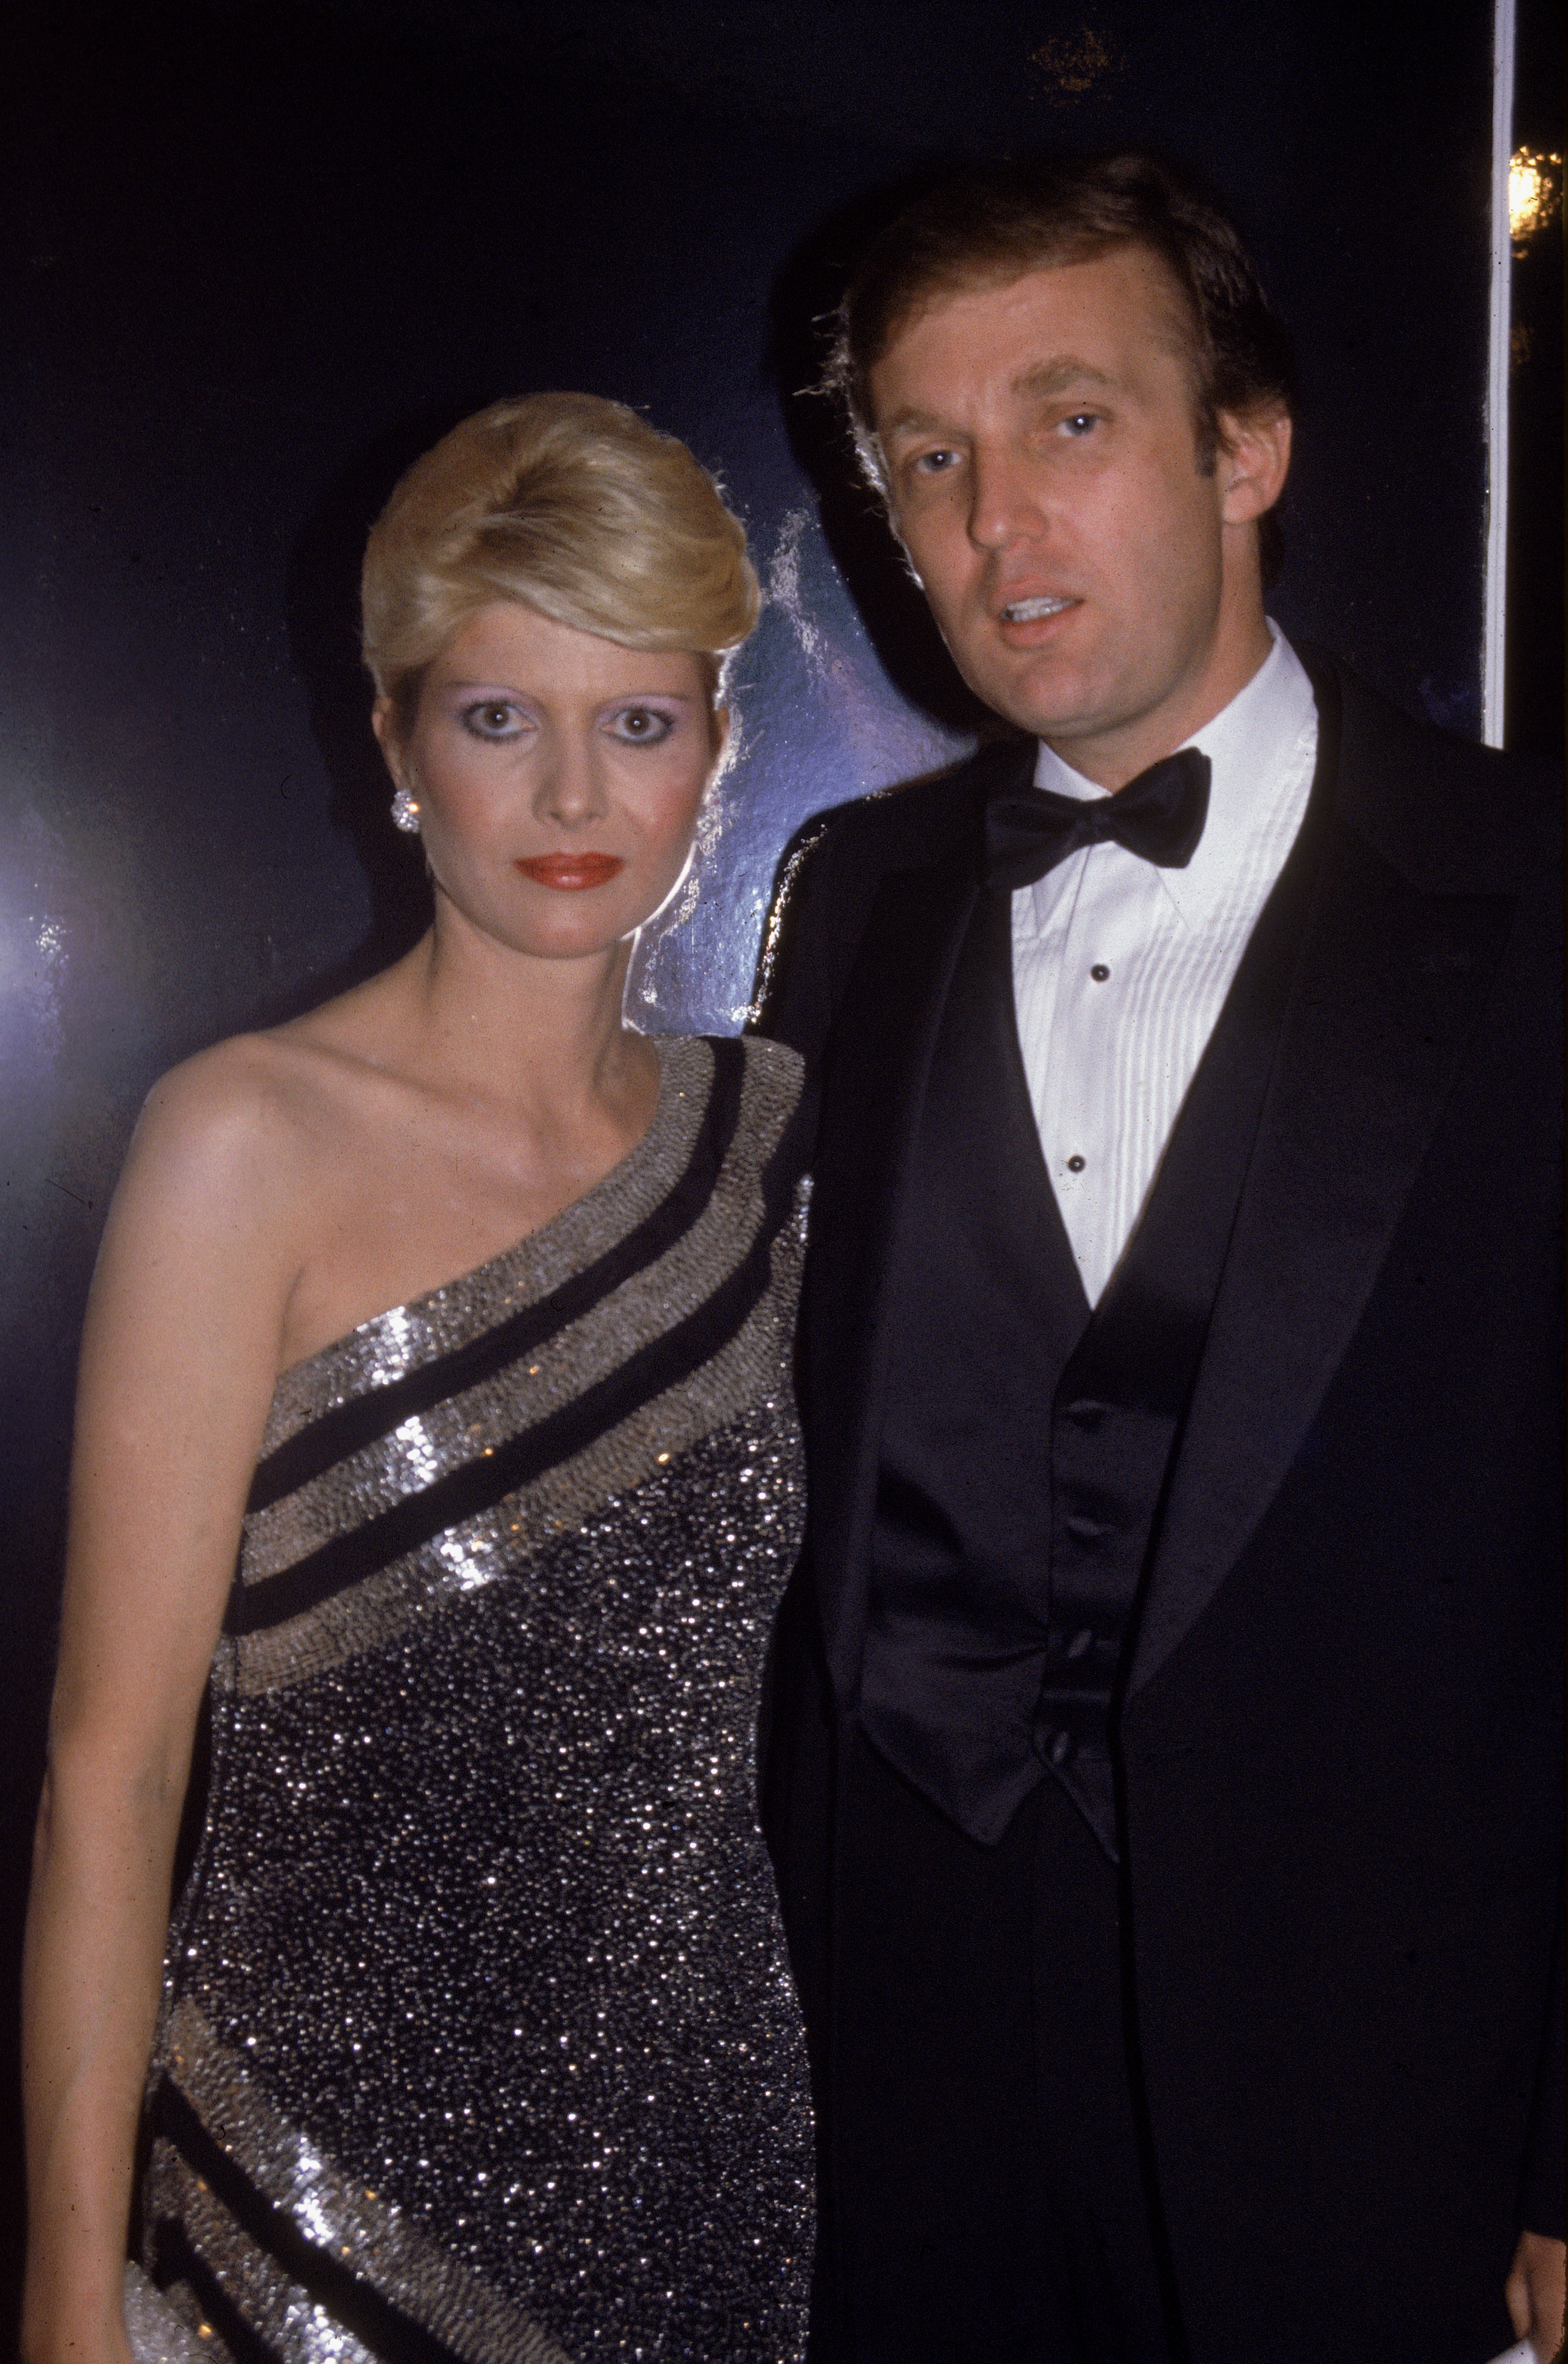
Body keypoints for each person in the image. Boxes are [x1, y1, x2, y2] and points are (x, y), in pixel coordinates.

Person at [751, 152, 1563, 2364]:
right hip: (905, 2085)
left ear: (1249, 448)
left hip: (1374, 2091)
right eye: (933, 458)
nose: (996, 523)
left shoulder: (1539, 892)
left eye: (1071, 421)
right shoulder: (854, 906)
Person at [22, 393, 815, 2364]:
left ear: (716, 754)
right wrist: (62, 2289)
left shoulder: (778, 1143)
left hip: (716, 2191)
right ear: (390, 745)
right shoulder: (245, 1143)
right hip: (309, 2223)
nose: (569, 794)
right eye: (496, 717)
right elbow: (111, 1778)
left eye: (636, 720)